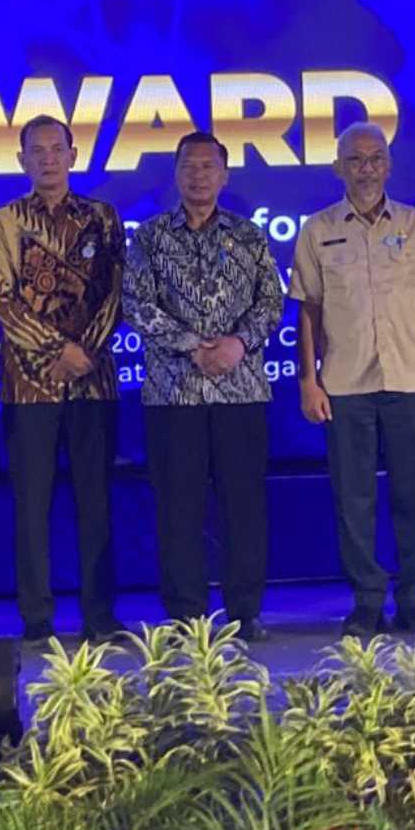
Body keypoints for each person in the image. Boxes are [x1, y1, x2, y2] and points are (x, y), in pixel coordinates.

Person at [291, 123, 415, 637]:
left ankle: (414, 599)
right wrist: (309, 381)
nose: (366, 169)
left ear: (389, 165)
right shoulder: (317, 230)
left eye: (375, 158)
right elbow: (308, 311)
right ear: (338, 167)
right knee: (353, 499)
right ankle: (366, 601)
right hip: (344, 384)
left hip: (410, 379)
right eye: (355, 160)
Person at [122, 131, 284, 640]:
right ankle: (186, 613)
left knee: (244, 504)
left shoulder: (249, 236)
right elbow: (137, 306)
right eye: (189, 167)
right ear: (175, 174)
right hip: (174, 394)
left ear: (224, 175)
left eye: (208, 166)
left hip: (241, 391)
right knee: (178, 507)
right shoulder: (150, 238)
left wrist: (238, 343)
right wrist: (194, 346)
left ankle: (245, 611)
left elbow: (271, 303)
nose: (198, 175)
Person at [0, 116, 124, 644]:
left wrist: (84, 352)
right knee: (32, 506)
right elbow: (4, 300)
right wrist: (56, 351)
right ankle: (37, 618)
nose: (47, 158)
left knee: (96, 503)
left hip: (94, 382)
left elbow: (116, 293)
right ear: (21, 160)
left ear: (73, 154)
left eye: (56, 148)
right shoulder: (5, 221)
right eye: (36, 151)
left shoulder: (102, 218)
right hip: (29, 386)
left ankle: (100, 616)